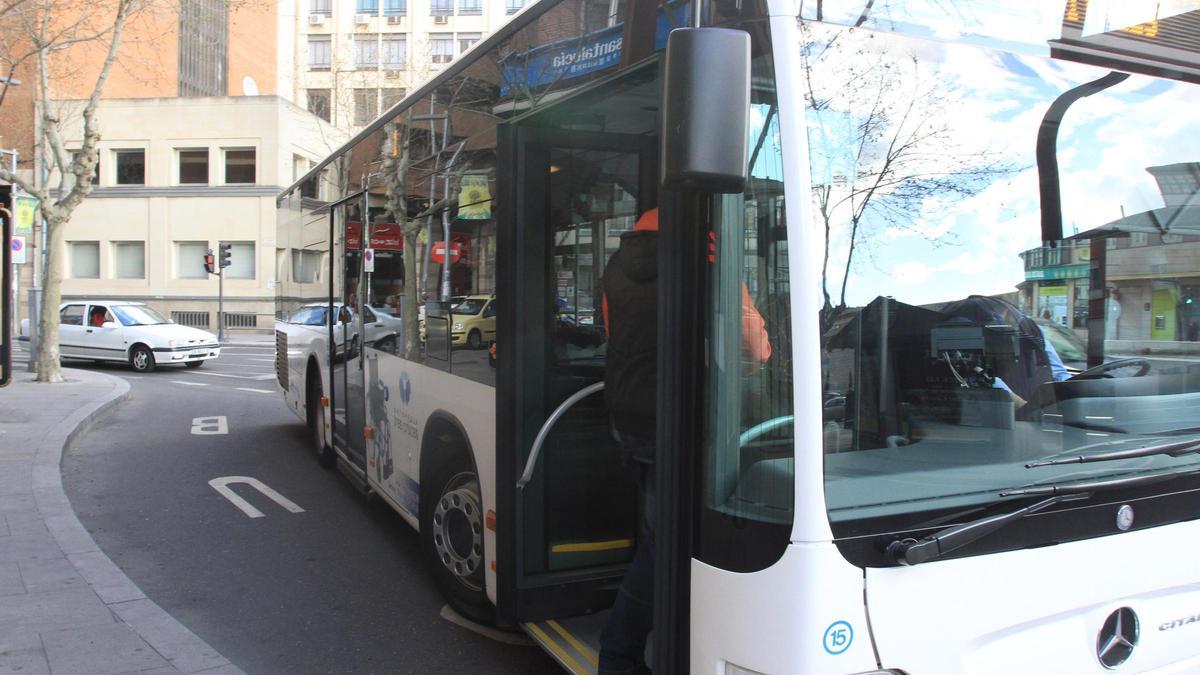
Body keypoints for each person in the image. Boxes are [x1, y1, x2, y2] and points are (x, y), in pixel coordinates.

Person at [597, 207, 769, 674]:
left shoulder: (616, 266)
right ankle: (618, 658)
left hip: (626, 418)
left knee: (660, 532)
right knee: (663, 547)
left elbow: (617, 336)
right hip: (673, 428)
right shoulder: (711, 257)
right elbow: (757, 349)